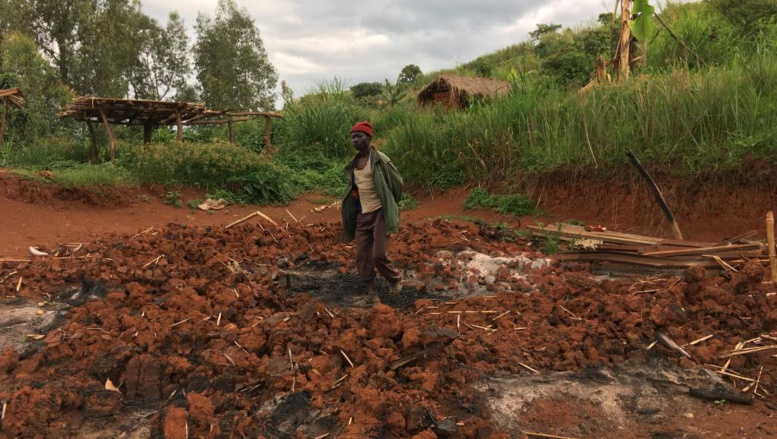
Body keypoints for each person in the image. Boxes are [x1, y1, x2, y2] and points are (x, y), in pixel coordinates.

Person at [342, 121, 403, 306]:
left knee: (378, 254)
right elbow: (355, 186)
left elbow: (397, 184)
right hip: (363, 215)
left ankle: (395, 279)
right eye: (353, 137)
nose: (355, 140)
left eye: (359, 136)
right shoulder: (354, 163)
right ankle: (372, 294)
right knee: (362, 256)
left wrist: (390, 204)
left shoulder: (380, 160)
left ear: (369, 138)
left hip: (380, 213)